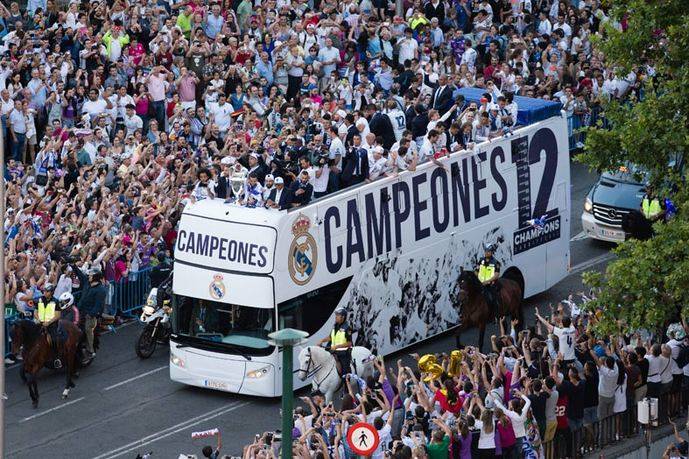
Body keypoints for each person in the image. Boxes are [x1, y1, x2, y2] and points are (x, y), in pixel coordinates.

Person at [74, 267, 108, 357]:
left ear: (95, 277)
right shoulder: (87, 283)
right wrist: (73, 265)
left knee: (87, 329)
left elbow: (98, 306)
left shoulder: (101, 290)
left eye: (91, 275)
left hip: (90, 315)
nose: (89, 276)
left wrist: (90, 314)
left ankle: (90, 350)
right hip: (80, 311)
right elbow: (80, 275)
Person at [318, 307, 353, 377]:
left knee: (345, 374)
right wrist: (322, 340)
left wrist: (337, 346)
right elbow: (330, 337)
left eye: (338, 315)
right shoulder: (335, 326)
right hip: (333, 351)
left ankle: (347, 385)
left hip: (343, 354)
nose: (336, 317)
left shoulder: (347, 328)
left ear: (343, 317)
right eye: (336, 315)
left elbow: (349, 343)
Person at [34, 283, 62, 366]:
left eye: (47, 291)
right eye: (44, 291)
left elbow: (58, 315)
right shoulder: (40, 300)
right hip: (40, 323)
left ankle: (56, 358)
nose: (45, 293)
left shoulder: (55, 301)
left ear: (52, 292)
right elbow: (36, 311)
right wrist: (38, 319)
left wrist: (49, 322)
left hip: (51, 325)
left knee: (54, 339)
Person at [475, 242, 501, 318]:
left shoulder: (496, 262)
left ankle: (495, 316)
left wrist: (488, 281)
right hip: (481, 283)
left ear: (491, 252)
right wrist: (479, 278)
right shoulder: (481, 260)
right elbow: (476, 271)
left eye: (488, 251)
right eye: (485, 251)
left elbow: (496, 275)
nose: (486, 253)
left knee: (492, 299)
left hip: (491, 285)